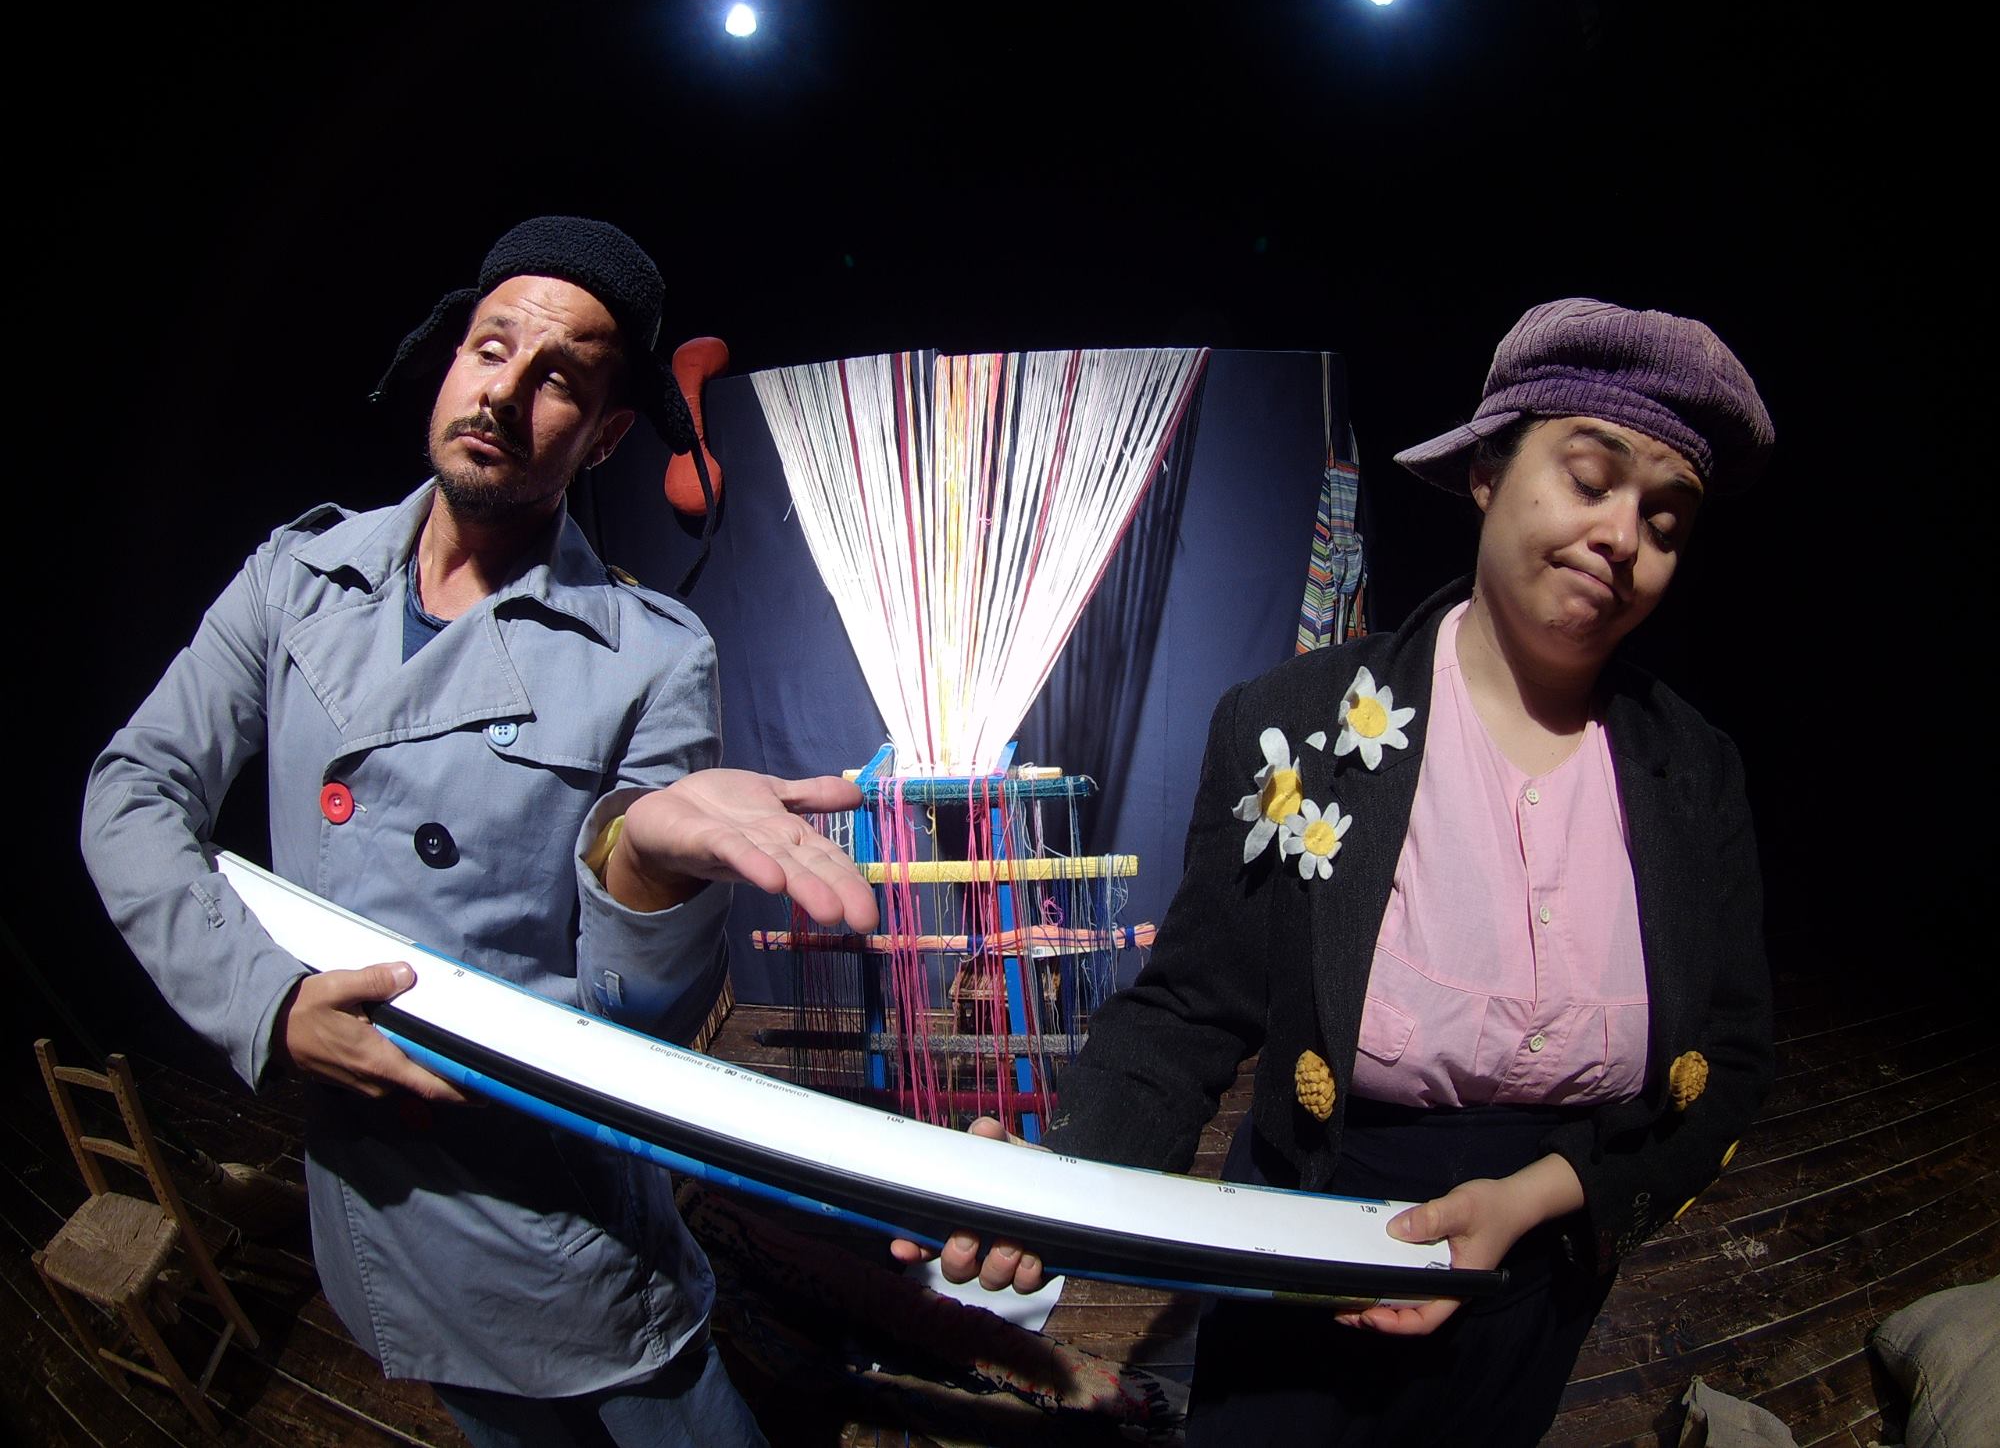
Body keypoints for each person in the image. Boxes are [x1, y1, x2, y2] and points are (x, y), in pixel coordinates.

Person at [904, 298, 1777, 1446]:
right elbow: (1188, 1010)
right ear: (1485, 473)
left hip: (1541, 1279)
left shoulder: (1692, 775)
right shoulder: (1296, 731)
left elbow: (1729, 1059)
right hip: (1304, 1267)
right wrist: (1065, 1176)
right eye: (1586, 477)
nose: (1621, 535)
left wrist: (1536, 1200)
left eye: (1664, 519)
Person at [82, 216, 877, 1447]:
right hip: (379, 1207)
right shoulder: (295, 581)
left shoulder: (650, 654)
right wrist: (264, 1002)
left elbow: (636, 1028)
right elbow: (135, 788)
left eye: (558, 376)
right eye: (490, 348)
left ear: (606, 434)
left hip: (563, 1220)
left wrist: (641, 867)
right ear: (448, 362)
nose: (504, 391)